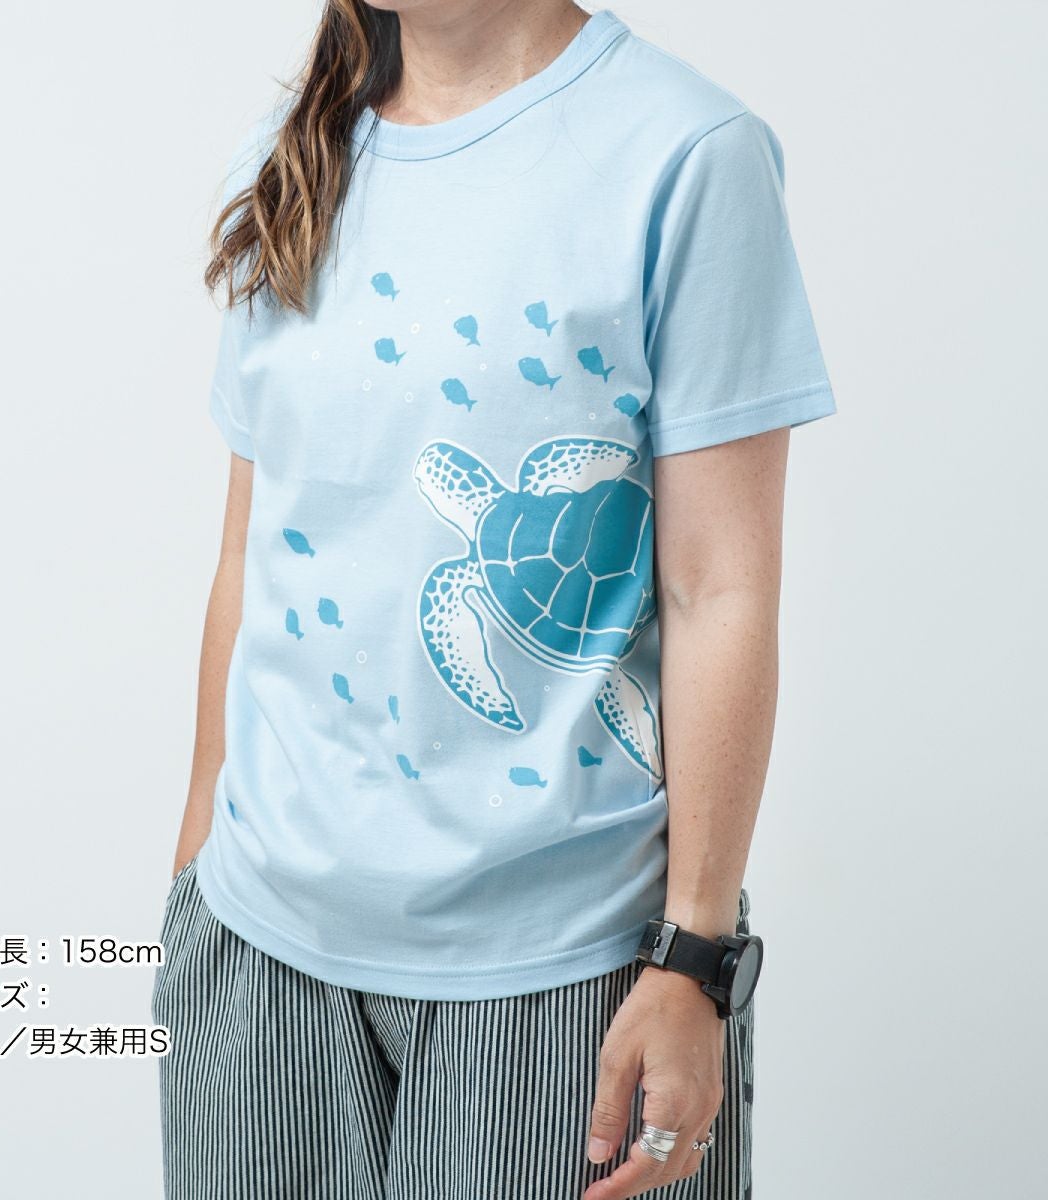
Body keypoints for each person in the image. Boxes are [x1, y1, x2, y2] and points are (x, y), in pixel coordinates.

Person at [151, 3, 836, 1198]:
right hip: (259, 946)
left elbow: (718, 587)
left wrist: (695, 958)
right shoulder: (295, 150)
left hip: (566, 969)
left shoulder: (686, 154)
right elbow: (249, 552)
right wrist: (193, 873)